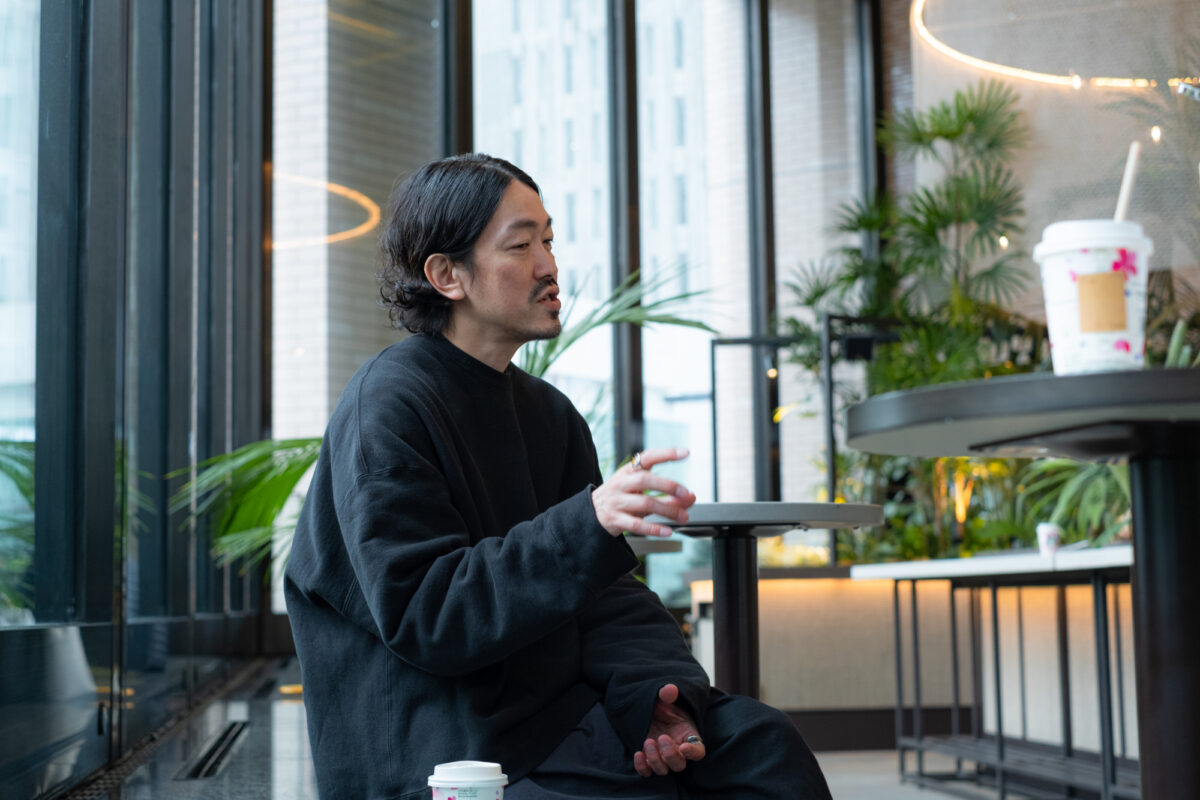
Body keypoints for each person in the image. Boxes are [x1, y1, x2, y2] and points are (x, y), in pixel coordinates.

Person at [284, 153, 833, 800]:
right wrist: (587, 523)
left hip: (555, 723)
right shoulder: (388, 405)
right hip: (442, 748)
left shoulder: (551, 414)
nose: (549, 265)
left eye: (548, 240)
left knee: (761, 747)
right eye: (521, 246)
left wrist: (655, 699)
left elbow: (607, 594)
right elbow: (427, 616)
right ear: (447, 275)